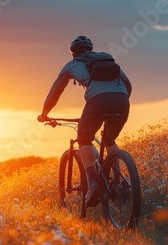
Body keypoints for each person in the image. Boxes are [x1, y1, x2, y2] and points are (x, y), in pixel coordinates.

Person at [37, 35, 132, 207]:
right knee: (109, 139)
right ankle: (117, 181)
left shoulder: (72, 65)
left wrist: (44, 113)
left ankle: (93, 183)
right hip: (122, 100)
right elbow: (128, 84)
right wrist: (119, 100)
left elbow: (55, 92)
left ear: (73, 54)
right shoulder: (106, 58)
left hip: (97, 101)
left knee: (85, 138)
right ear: (91, 49)